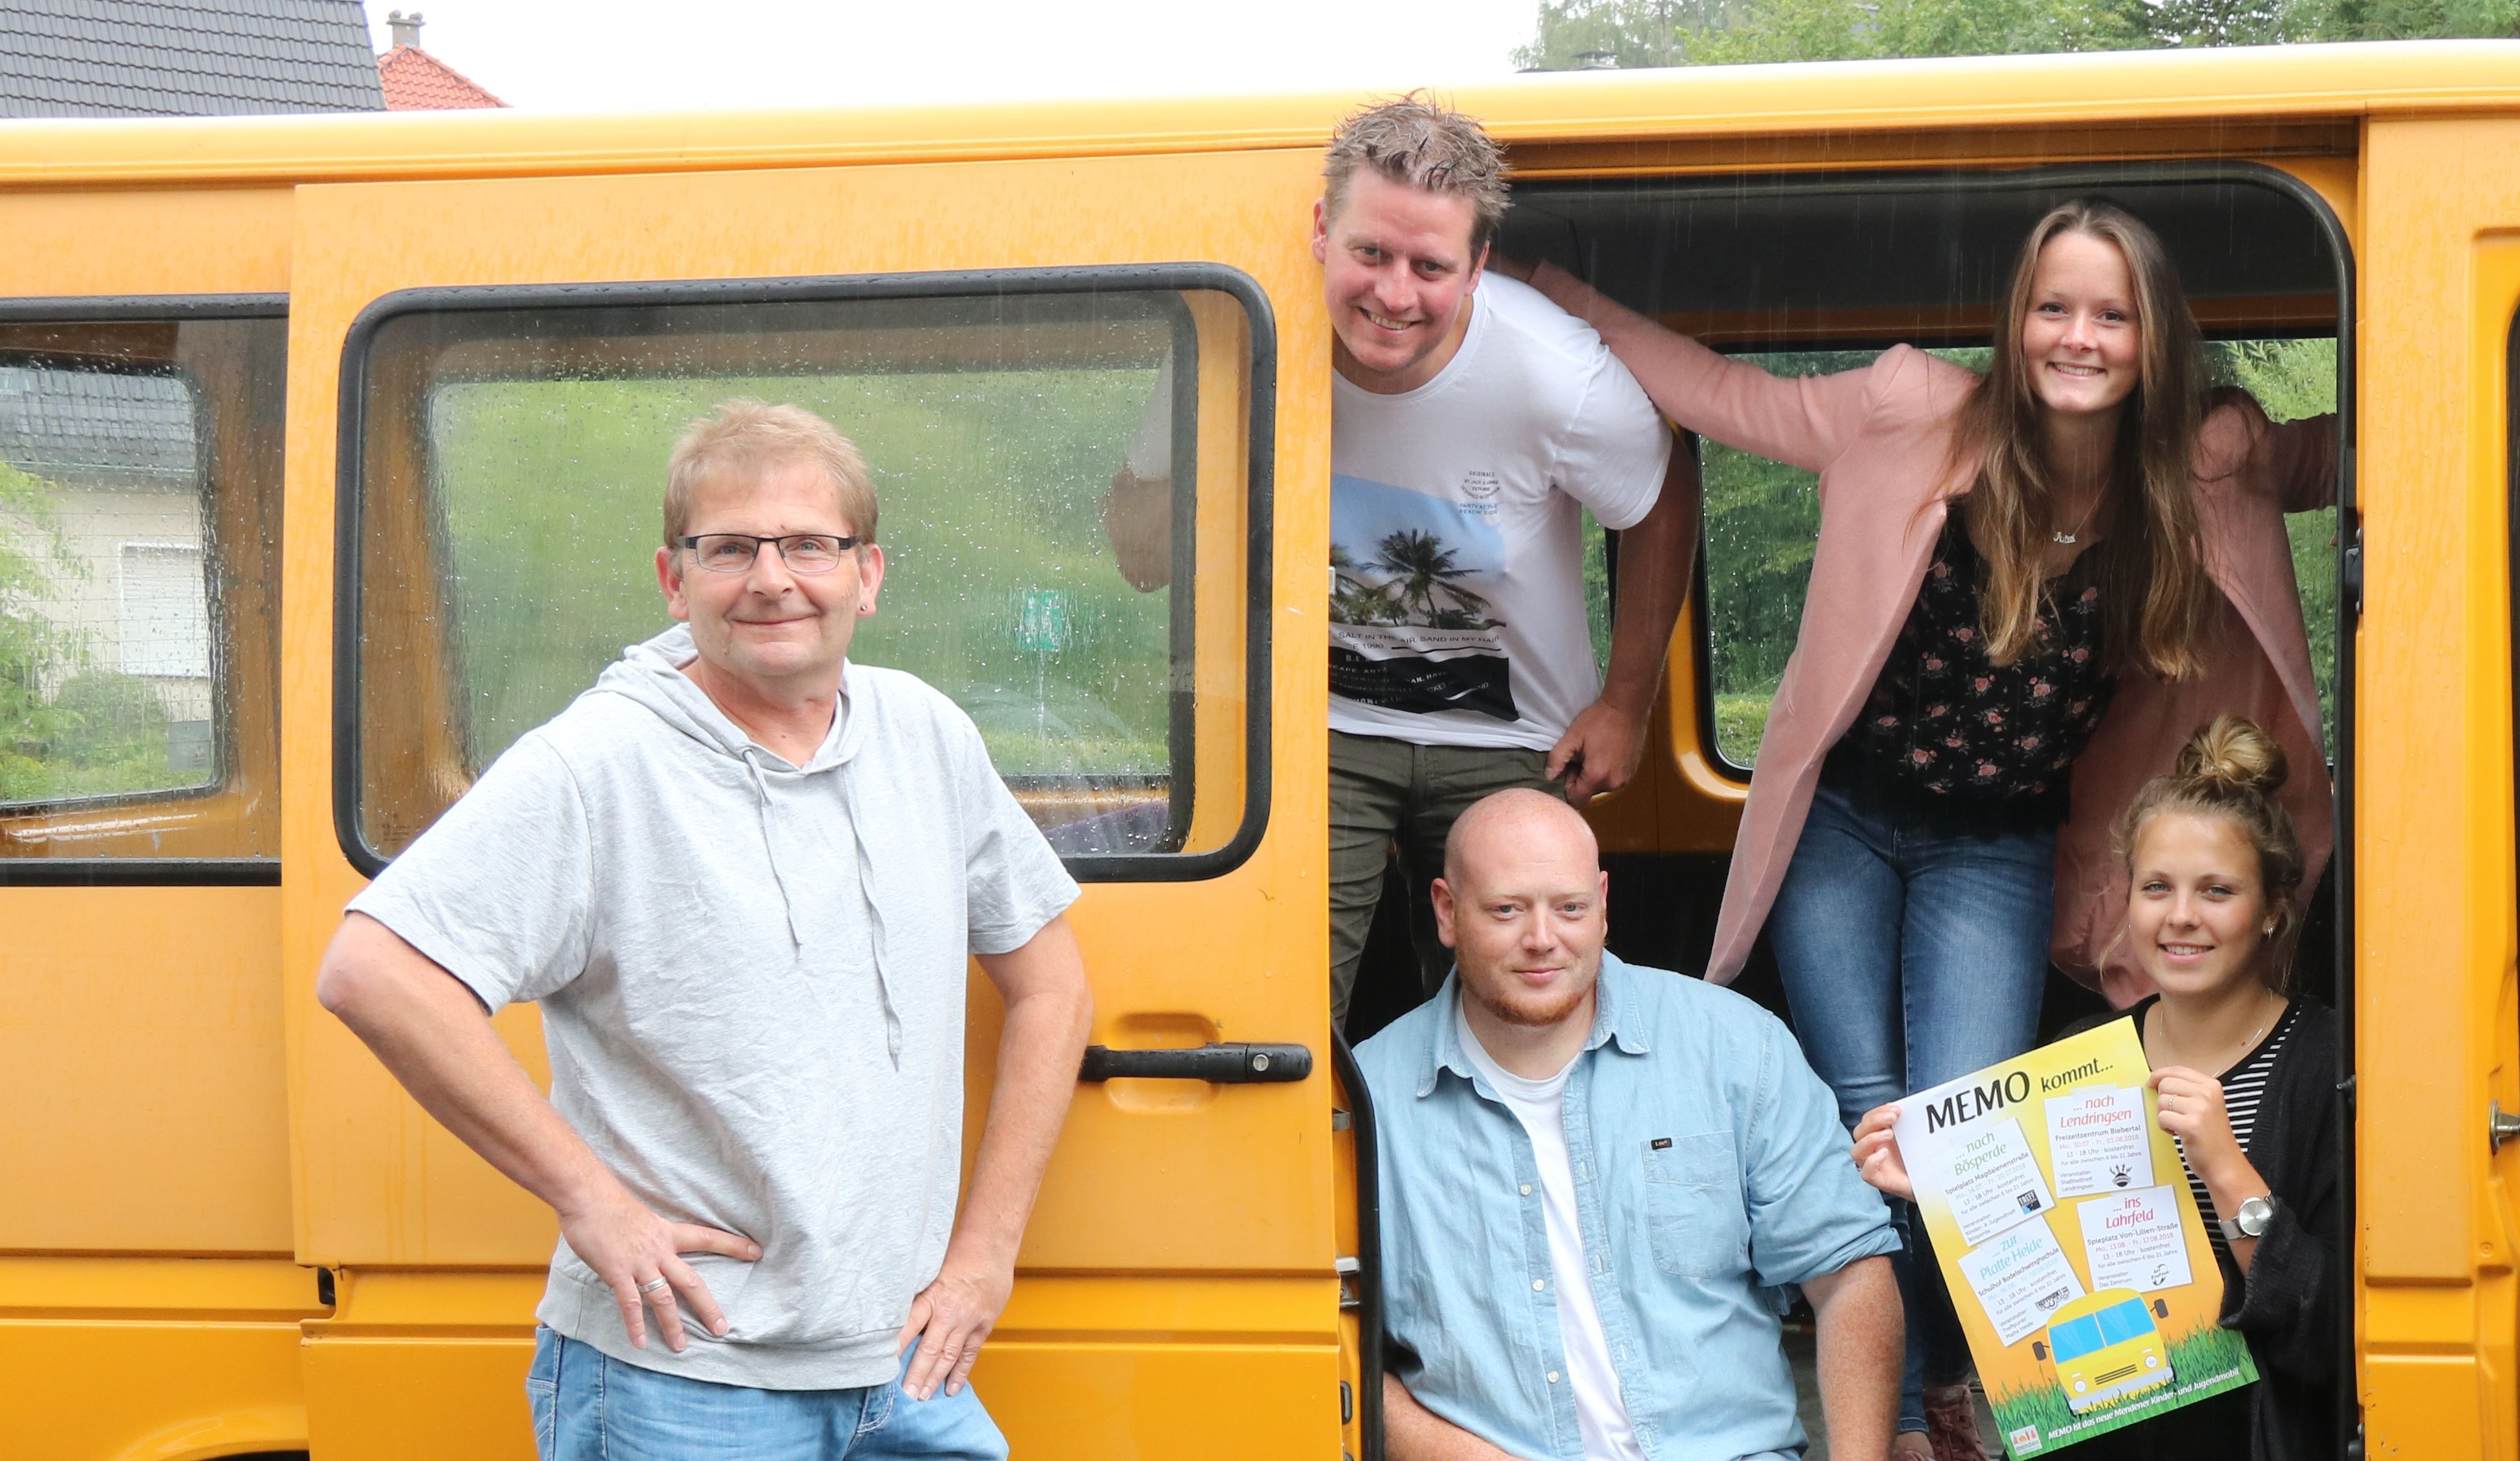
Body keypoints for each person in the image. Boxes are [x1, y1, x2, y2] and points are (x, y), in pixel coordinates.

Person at [1508, 198, 2334, 1455]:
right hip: (1845, 821)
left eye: (2110, 314)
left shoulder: (2206, 458)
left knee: (1961, 1128)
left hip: (1999, 843)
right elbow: (1718, 391)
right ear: (2018, 322)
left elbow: (2356, 443)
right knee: (1873, 1117)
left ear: (2153, 338)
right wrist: (1543, 282)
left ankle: (1953, 1371)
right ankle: (1886, 1419)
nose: (2078, 335)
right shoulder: (1913, 410)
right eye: (2054, 306)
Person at [314, 401, 1094, 1460]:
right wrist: (592, 1204)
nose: (771, 579)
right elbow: (374, 971)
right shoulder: (597, 766)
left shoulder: (927, 735)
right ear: (673, 581)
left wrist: (985, 1257)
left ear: (868, 574)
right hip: (683, 1380)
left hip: (904, 1370)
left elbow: (1052, 986)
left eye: (809, 545)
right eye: (728, 549)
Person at [1121, 94, 1696, 1023]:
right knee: (1284, 1007)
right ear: (1321, 231)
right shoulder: (1237, 335)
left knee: (1527, 1008)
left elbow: (1660, 495)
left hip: (1514, 733)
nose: (1393, 295)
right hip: (1319, 729)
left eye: (1430, 266)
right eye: (1371, 254)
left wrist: (1626, 702)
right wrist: (1191, 466)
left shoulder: (1553, 371)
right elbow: (1140, 552)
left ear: (1477, 267)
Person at [1848, 715, 2348, 1461]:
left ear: (2275, 908)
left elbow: (2341, 1338)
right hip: (2095, 1430)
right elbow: (2042, 1293)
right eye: (2157, 887)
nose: (2181, 915)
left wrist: (2226, 1169)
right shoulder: (2084, 1053)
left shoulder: (2326, 1062)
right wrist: (1947, 1193)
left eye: (2217, 890)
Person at [1357, 789, 1905, 1461]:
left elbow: (1848, 1272)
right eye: (1506, 910)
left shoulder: (1735, 1045)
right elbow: (1325, 1341)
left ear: (1604, 904)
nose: (1542, 939)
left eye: (1570, 908)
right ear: (1446, 911)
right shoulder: (1366, 1101)